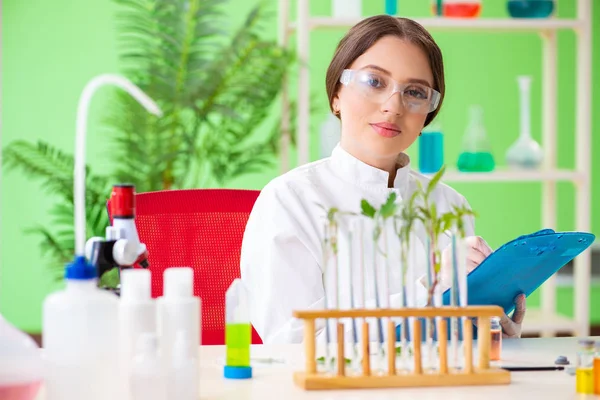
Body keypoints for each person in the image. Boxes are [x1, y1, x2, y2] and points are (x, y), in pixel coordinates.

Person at [240, 15, 526, 344]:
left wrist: (491, 331)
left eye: (415, 91)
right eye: (375, 82)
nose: (394, 106)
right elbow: (295, 342)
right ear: (336, 93)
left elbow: (454, 337)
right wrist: (427, 290)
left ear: (426, 116)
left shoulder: (450, 205)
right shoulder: (289, 200)